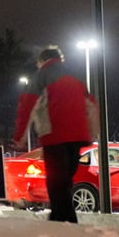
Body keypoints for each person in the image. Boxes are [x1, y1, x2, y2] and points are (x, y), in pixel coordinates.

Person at [13, 45, 97, 223]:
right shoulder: (77, 75)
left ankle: (62, 220)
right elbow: (91, 105)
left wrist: (20, 134)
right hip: (78, 136)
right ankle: (62, 218)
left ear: (42, 61)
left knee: (56, 180)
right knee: (65, 179)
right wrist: (92, 133)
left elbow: (27, 104)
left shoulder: (41, 76)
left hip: (54, 135)